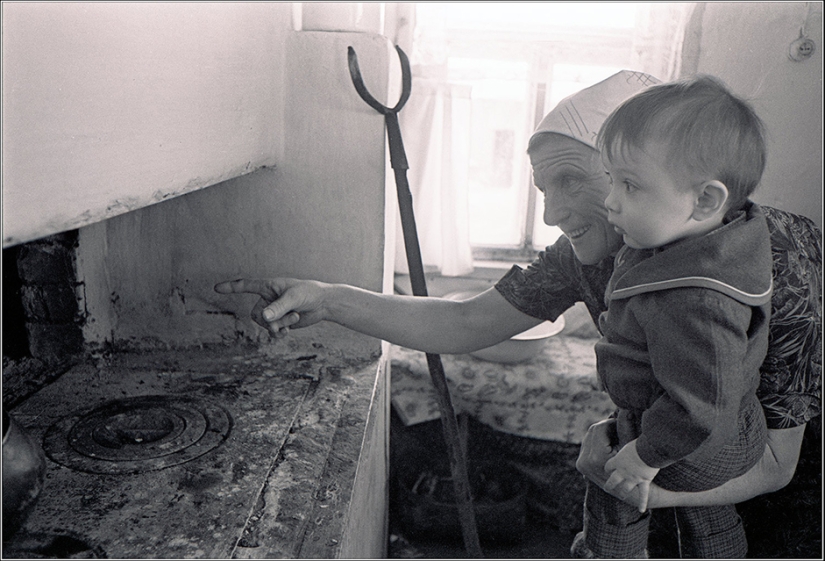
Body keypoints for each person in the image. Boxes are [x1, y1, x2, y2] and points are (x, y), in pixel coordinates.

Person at [214, 70, 821, 557]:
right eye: (541, 189)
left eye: (573, 181)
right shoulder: (581, 257)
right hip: (662, 466)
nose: (553, 213)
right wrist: (326, 299)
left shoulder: (775, 263)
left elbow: (774, 465)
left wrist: (628, 479)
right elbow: (463, 324)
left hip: (769, 491)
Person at [569, 75, 773, 559]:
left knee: (612, 479)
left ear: (705, 200)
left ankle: (610, 552)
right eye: (612, 180)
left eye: (631, 185)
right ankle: (717, 548)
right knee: (701, 508)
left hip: (704, 434)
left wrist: (640, 457)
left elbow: (700, 411)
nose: (610, 200)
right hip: (729, 425)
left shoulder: (694, 300)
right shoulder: (708, 245)